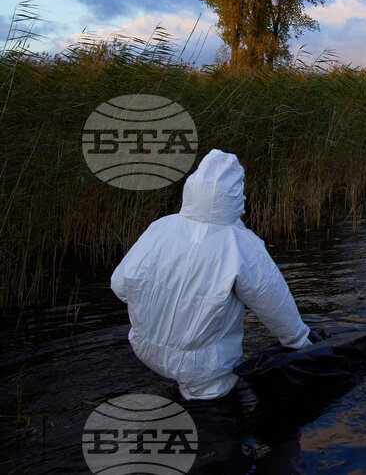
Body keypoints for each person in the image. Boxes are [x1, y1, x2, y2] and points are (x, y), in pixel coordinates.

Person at [111, 149, 311, 401]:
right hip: (205, 367)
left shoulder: (161, 227)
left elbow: (119, 285)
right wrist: (299, 342)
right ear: (236, 194)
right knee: (213, 420)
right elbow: (273, 301)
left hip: (145, 347)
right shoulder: (239, 243)